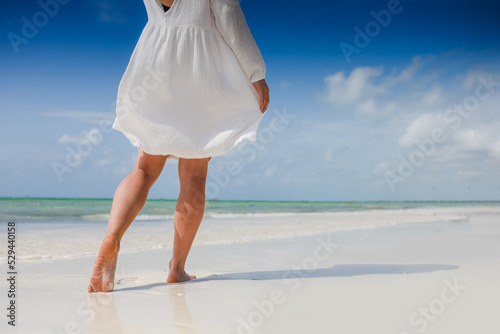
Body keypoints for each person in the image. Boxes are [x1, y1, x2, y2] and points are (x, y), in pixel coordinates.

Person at [88, 0, 270, 292]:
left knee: (144, 169)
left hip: (154, 61)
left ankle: (112, 238)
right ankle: (177, 268)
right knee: (194, 176)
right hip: (199, 67)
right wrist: (255, 72)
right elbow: (229, 19)